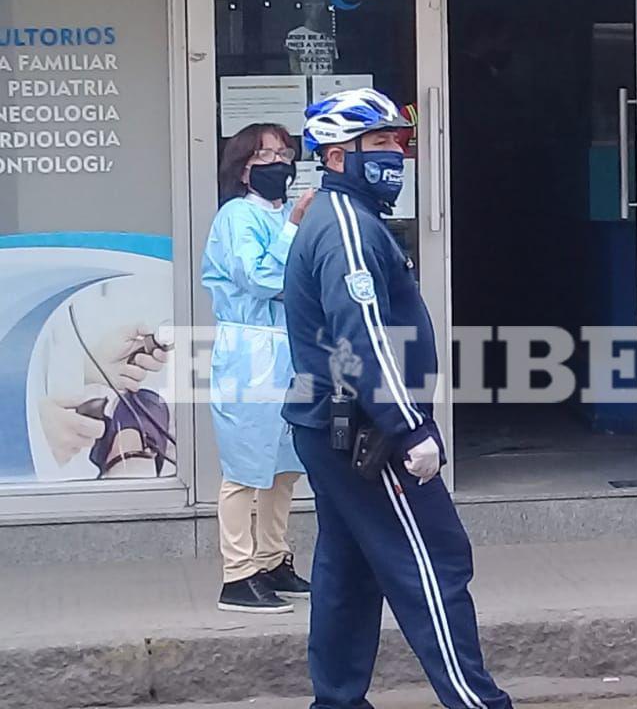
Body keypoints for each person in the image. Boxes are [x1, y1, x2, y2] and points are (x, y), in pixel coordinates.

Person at [283, 88, 513, 709]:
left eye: (399, 143)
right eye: (379, 144)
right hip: (367, 430)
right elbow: (363, 338)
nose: (395, 156)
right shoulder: (348, 228)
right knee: (434, 562)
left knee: (349, 571)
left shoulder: (342, 218)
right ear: (335, 156)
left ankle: (336, 701)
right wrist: (410, 426)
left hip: (338, 423)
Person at [202, 122, 315, 614]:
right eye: (264, 156)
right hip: (250, 350)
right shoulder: (236, 216)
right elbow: (262, 277)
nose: (277, 164)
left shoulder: (285, 214)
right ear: (242, 167)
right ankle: (237, 572)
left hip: (292, 347)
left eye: (283, 154)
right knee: (245, 464)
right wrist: (294, 227)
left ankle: (272, 558)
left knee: (284, 466)